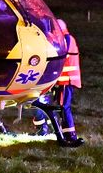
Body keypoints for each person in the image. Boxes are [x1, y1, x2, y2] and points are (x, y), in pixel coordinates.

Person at [33, 18, 85, 147]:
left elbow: (56, 56)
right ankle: (53, 130)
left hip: (66, 80)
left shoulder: (65, 39)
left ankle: (70, 135)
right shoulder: (67, 38)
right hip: (63, 80)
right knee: (57, 105)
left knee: (64, 106)